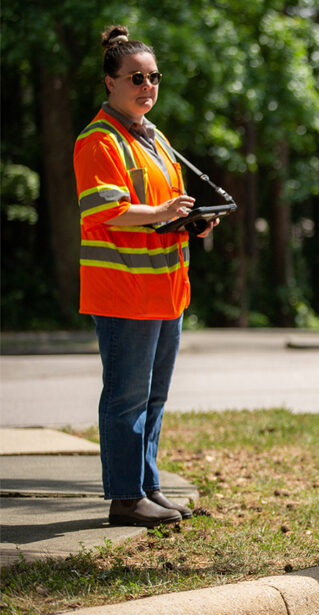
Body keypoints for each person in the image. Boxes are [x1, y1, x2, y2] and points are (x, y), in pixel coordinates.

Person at [74, 25, 216, 527]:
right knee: (126, 399)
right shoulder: (98, 140)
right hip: (124, 293)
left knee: (152, 398)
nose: (147, 86)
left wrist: (190, 222)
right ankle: (125, 498)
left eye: (154, 77)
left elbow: (163, 212)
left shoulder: (155, 139)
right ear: (109, 82)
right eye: (135, 77)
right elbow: (105, 211)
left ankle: (147, 485)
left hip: (165, 291)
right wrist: (160, 210)